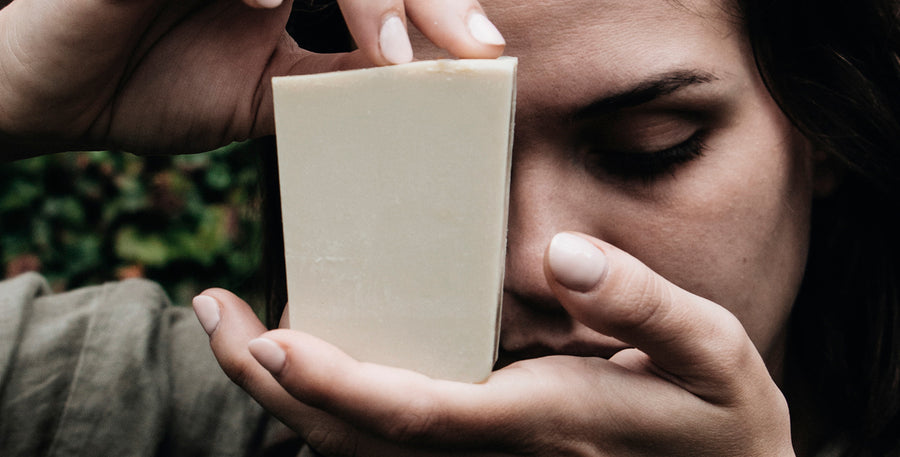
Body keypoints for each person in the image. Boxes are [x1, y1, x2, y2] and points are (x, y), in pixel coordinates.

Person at [1, 0, 899, 456]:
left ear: (819, 132)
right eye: (423, 155)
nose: (532, 259)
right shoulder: (143, 416)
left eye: (645, 148)